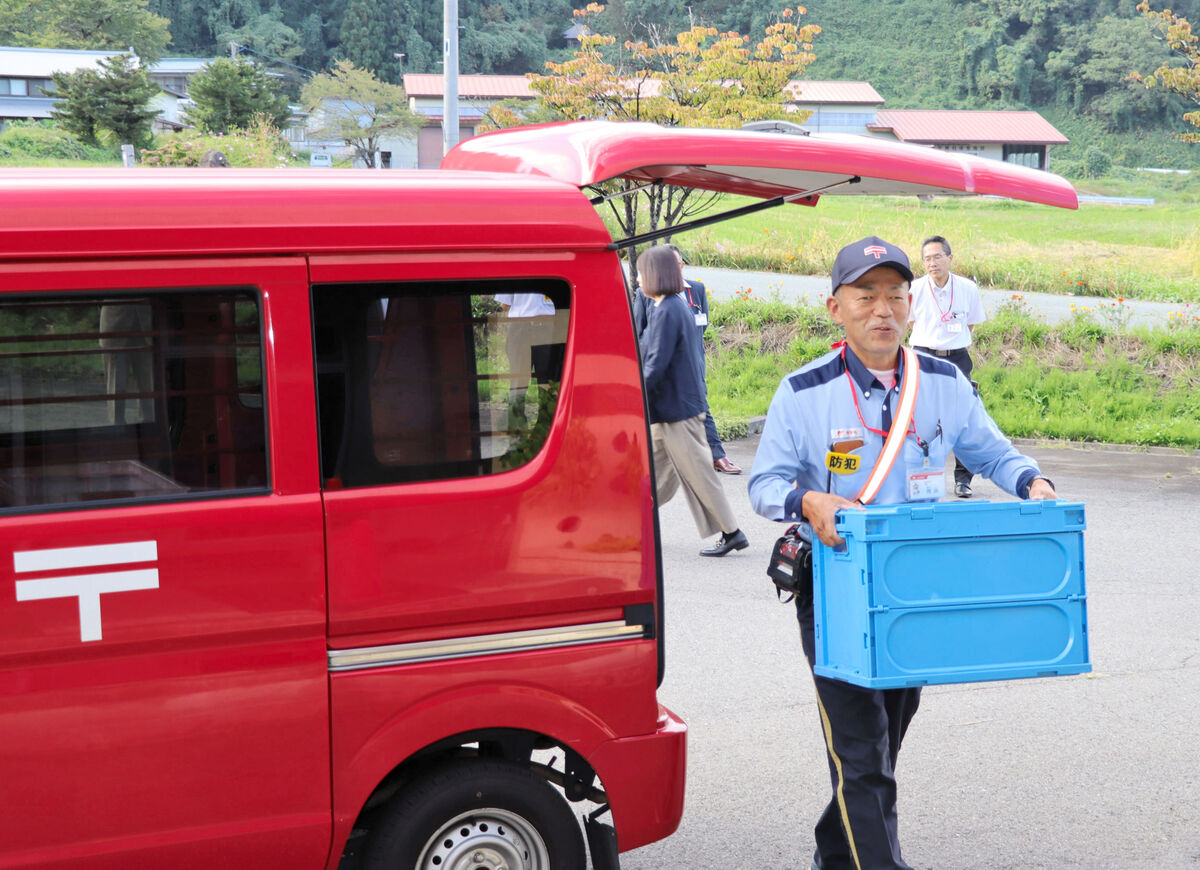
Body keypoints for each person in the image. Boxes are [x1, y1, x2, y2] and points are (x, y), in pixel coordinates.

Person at [748, 236, 1056, 870]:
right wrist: (810, 501)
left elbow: (992, 451)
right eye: (866, 296)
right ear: (837, 307)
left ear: (912, 305)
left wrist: (1032, 481)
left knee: (884, 736)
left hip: (914, 589)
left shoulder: (941, 382)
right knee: (861, 748)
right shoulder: (803, 391)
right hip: (836, 591)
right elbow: (765, 484)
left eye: (895, 295)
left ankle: (837, 850)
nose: (881, 309)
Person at [638, 245, 748, 557]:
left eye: (642, 271)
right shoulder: (666, 306)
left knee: (699, 473)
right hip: (667, 411)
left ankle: (733, 532)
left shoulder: (669, 309)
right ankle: (632, 524)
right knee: (652, 475)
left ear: (654, 274)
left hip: (678, 413)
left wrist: (632, 394)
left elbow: (656, 363)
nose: (637, 276)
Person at [632, 246, 742, 474]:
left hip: (691, 361)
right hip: (660, 363)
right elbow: (638, 329)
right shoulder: (647, 295)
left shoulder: (695, 291)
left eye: (679, 264)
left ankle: (717, 455)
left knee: (699, 404)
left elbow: (702, 326)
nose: (677, 269)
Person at [907, 235, 987, 498]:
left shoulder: (967, 288)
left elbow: (970, 324)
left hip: (957, 358)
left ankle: (963, 480)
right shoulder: (914, 289)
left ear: (950, 258)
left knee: (963, 417)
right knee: (921, 419)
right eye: (927, 259)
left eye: (937, 257)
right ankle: (920, 478)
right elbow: (910, 323)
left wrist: (950, 341)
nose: (932, 263)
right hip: (924, 357)